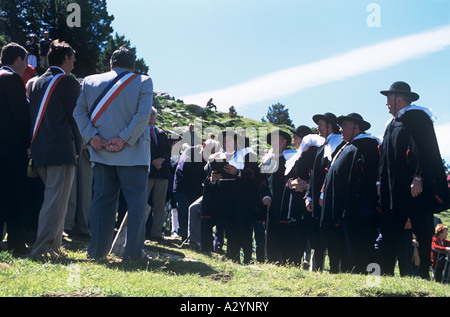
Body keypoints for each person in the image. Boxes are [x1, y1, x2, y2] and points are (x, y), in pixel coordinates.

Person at [73, 46, 153, 260]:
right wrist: (124, 138)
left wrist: (91, 136)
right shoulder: (143, 81)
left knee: (101, 202)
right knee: (135, 204)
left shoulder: (89, 81)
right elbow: (143, 116)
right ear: (133, 65)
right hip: (133, 154)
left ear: (111, 64)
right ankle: (133, 254)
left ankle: (97, 252)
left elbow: (78, 112)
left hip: (101, 152)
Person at [378, 81, 450, 279]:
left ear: (399, 99)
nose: (386, 103)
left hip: (414, 187)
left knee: (423, 230)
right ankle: (385, 273)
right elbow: (384, 156)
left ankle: (423, 274)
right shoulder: (391, 124)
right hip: (394, 189)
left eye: (388, 99)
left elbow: (422, 150)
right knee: (390, 230)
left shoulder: (417, 118)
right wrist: (380, 183)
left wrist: (418, 176)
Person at [28, 40, 82, 258]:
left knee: (56, 200)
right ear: (66, 59)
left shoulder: (36, 83)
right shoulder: (68, 83)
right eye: (73, 58)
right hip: (61, 150)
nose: (75, 62)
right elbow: (75, 119)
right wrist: (78, 147)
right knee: (55, 201)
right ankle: (42, 248)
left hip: (40, 149)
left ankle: (54, 245)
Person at [321, 113, 381, 274]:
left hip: (361, 207)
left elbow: (370, 174)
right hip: (347, 209)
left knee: (362, 245)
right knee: (350, 245)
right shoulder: (346, 146)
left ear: (356, 126)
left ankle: (369, 279)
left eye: (344, 125)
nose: (340, 129)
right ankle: (354, 274)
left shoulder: (367, 145)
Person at [202, 129, 261, 263]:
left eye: (229, 141)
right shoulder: (218, 157)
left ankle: (247, 259)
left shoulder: (247, 154)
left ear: (236, 143)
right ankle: (233, 258)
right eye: (224, 141)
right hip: (225, 200)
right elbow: (208, 180)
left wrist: (238, 172)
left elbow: (254, 174)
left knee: (244, 231)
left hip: (242, 199)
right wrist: (213, 179)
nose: (226, 143)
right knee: (230, 231)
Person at [0, 43, 31, 256]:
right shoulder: (11, 80)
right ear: (18, 60)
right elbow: (22, 117)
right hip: (10, 148)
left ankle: (17, 243)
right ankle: (17, 243)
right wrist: (29, 143)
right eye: (26, 60)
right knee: (12, 196)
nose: (27, 66)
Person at [305, 112, 344, 271]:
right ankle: (317, 271)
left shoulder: (338, 145)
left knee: (333, 240)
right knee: (318, 239)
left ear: (330, 126)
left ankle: (335, 271)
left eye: (320, 124)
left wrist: (322, 194)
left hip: (329, 201)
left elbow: (332, 174)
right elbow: (314, 174)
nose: (318, 128)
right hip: (319, 202)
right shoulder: (322, 148)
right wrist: (308, 195)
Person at [283, 128, 324, 267]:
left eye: (296, 137)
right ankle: (294, 267)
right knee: (296, 241)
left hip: (311, 206)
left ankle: (317, 269)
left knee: (317, 243)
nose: (293, 141)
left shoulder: (317, 154)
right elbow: (287, 179)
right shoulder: (295, 157)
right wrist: (291, 183)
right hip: (296, 206)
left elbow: (322, 177)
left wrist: (309, 186)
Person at [259, 129, 297, 263]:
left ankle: (289, 264)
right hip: (272, 207)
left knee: (287, 239)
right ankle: (273, 263)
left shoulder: (293, 158)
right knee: (272, 239)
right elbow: (262, 182)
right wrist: (265, 196)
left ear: (284, 141)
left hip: (288, 205)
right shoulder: (268, 162)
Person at [174, 139, 218, 243]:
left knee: (195, 214)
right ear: (203, 146)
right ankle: (186, 238)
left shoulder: (210, 159)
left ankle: (195, 239)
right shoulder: (190, 151)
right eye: (210, 151)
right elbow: (185, 168)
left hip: (197, 190)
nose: (211, 154)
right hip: (183, 188)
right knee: (184, 213)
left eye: (213, 152)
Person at [147, 107, 172, 242]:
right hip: (147, 172)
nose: (151, 117)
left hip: (162, 173)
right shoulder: (141, 131)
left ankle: (156, 232)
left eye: (153, 115)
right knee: (143, 203)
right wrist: (152, 161)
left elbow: (168, 152)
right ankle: (141, 230)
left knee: (160, 204)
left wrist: (161, 160)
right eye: (149, 114)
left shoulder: (161, 134)